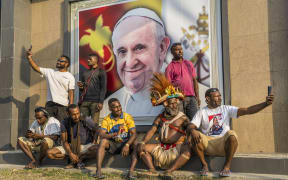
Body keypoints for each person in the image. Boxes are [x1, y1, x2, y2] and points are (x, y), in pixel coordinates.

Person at [101, 8, 170, 119]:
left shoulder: (188, 95)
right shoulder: (106, 107)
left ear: (162, 48)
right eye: (122, 51)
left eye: (139, 48)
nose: (129, 63)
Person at [188, 88, 274, 177]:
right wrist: (193, 130)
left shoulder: (226, 108)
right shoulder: (202, 112)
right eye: (216, 96)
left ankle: (227, 167)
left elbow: (247, 110)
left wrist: (265, 104)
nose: (220, 98)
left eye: (220, 96)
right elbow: (190, 125)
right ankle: (204, 165)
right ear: (208, 99)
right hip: (208, 146)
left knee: (232, 134)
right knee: (194, 133)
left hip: (222, 144)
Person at [137, 73, 191, 175]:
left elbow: (189, 128)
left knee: (187, 150)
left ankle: (170, 170)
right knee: (139, 147)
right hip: (161, 147)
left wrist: (190, 136)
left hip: (176, 147)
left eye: (176, 103)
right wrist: (143, 141)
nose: (175, 105)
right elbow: (152, 130)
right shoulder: (160, 117)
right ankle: (152, 169)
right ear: (166, 104)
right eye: (172, 103)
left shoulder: (182, 117)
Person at [27, 48, 75, 121]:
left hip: (62, 106)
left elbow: (71, 92)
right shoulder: (50, 72)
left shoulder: (70, 76)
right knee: (49, 126)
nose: (58, 62)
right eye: (58, 60)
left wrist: (70, 106)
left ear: (66, 64)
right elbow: (36, 68)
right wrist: (29, 58)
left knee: (62, 127)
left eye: (61, 61)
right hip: (50, 106)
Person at [47, 104, 99, 169]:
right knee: (50, 153)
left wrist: (95, 141)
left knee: (98, 149)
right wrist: (70, 154)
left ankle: (78, 160)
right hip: (70, 146)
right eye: (73, 115)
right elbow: (64, 141)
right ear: (68, 114)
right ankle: (74, 159)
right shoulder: (64, 122)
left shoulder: (85, 119)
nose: (77, 116)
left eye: (78, 113)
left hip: (85, 146)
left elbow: (97, 128)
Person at [96, 98, 137, 179]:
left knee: (136, 143)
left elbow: (134, 134)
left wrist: (127, 145)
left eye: (119, 106)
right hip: (113, 144)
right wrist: (115, 133)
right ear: (110, 109)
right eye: (115, 107)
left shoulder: (127, 117)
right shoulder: (107, 119)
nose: (119, 109)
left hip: (125, 144)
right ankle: (98, 171)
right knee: (103, 141)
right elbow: (101, 134)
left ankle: (131, 172)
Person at [165, 42, 200, 121]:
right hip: (178, 99)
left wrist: (197, 97)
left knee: (195, 122)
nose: (180, 51)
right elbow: (168, 86)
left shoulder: (189, 64)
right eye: (177, 50)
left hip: (191, 98)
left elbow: (194, 81)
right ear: (172, 52)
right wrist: (172, 101)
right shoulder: (170, 67)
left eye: (181, 49)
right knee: (180, 122)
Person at [78, 53, 107, 124]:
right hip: (84, 102)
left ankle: (94, 135)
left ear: (96, 60)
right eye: (88, 59)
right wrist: (81, 87)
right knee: (82, 122)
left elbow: (103, 88)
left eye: (90, 59)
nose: (88, 60)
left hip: (95, 102)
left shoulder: (101, 71)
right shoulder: (84, 72)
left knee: (94, 124)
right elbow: (82, 89)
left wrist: (100, 102)